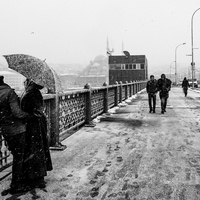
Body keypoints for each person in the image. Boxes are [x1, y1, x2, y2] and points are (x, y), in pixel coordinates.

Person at [0, 76, 32, 195]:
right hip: (17, 130)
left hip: (5, 130)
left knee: (15, 155)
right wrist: (28, 115)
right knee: (19, 157)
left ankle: (17, 181)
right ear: (3, 80)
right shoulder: (9, 93)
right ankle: (16, 185)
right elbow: (17, 113)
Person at [20, 79, 53, 189]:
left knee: (35, 149)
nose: (24, 82)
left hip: (34, 126)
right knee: (37, 149)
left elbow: (37, 112)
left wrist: (25, 115)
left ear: (30, 82)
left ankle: (37, 178)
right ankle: (36, 176)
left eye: (26, 81)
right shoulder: (33, 93)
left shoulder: (33, 94)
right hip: (35, 125)